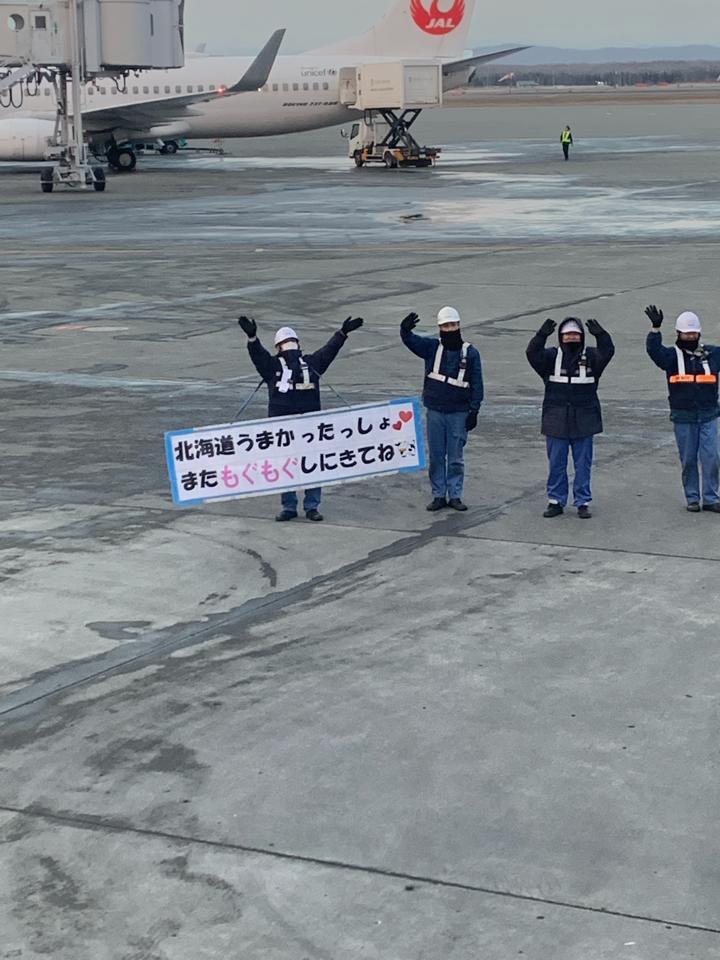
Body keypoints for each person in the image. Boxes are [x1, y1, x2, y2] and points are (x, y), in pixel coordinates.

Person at [238, 314, 364, 521]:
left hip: (297, 428)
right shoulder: (304, 364)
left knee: (300, 465)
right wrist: (342, 333)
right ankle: (300, 506)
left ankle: (301, 506)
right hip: (296, 427)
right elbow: (329, 350)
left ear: (279, 347)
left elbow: (259, 356)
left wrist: (253, 338)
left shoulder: (286, 366)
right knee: (300, 465)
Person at [526, 316, 615, 519]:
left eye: (575, 334)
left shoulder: (592, 357)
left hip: (585, 420)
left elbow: (607, 352)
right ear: (560, 337)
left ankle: (582, 501)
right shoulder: (550, 358)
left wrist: (601, 335)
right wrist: (540, 335)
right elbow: (532, 354)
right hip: (556, 419)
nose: (571, 338)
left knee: (583, 464)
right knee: (556, 463)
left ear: (582, 336)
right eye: (567, 335)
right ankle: (555, 501)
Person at [400, 306, 483, 512]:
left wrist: (474, 410)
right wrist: (405, 330)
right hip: (435, 410)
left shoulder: (470, 353)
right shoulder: (432, 348)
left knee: (455, 457)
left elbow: (477, 383)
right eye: (446, 326)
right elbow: (413, 342)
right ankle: (438, 495)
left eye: (453, 325)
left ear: (459, 325)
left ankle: (455, 495)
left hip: (459, 412)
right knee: (437, 455)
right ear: (439, 328)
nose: (450, 329)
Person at [645, 305, 720, 513]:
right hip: (683, 416)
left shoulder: (712, 354)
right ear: (678, 334)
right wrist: (655, 330)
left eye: (693, 333)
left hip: (708, 415)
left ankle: (711, 498)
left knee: (712, 457)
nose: (690, 337)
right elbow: (654, 351)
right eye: (687, 333)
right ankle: (693, 498)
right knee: (688, 460)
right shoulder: (671, 357)